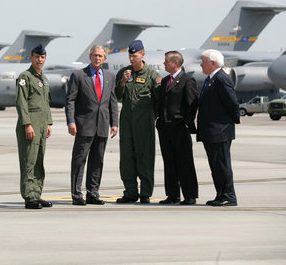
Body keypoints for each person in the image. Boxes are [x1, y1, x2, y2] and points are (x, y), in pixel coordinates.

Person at [65, 45, 118, 205]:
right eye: (95, 55)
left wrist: (114, 123)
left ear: (105, 59)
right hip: (84, 125)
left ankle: (93, 193)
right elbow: (70, 100)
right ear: (90, 57)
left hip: (102, 125)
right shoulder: (79, 75)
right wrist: (71, 121)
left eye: (100, 56)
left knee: (97, 161)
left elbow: (112, 102)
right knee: (79, 160)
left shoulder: (109, 76)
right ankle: (76, 195)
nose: (97, 58)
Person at [115, 40, 161, 204]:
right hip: (127, 122)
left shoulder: (152, 76)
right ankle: (130, 192)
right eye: (130, 55)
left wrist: (149, 116)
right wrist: (122, 82)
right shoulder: (124, 73)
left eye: (134, 55)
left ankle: (146, 193)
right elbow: (117, 95)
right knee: (126, 157)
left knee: (145, 157)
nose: (131, 59)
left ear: (142, 54)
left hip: (144, 123)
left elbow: (158, 101)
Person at [197, 49, 239, 206]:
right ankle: (221, 194)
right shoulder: (211, 79)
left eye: (203, 61)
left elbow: (232, 102)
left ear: (212, 63)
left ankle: (229, 195)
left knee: (222, 165)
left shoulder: (221, 78)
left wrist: (234, 120)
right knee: (215, 166)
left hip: (220, 130)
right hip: (211, 131)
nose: (201, 64)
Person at [156, 51, 199, 205]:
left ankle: (190, 195)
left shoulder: (187, 80)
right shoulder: (166, 80)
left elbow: (192, 104)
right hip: (165, 129)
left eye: (166, 61)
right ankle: (173, 195)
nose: (164, 64)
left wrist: (187, 124)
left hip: (180, 128)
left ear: (175, 63)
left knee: (185, 162)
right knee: (169, 163)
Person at [15, 44, 53, 209]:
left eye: (42, 57)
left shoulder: (44, 79)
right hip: (30, 124)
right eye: (37, 57)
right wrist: (27, 124)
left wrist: (49, 123)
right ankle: (29, 196)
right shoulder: (25, 77)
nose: (39, 60)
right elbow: (21, 102)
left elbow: (46, 103)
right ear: (31, 58)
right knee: (29, 161)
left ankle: (36, 194)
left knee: (39, 160)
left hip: (42, 125)